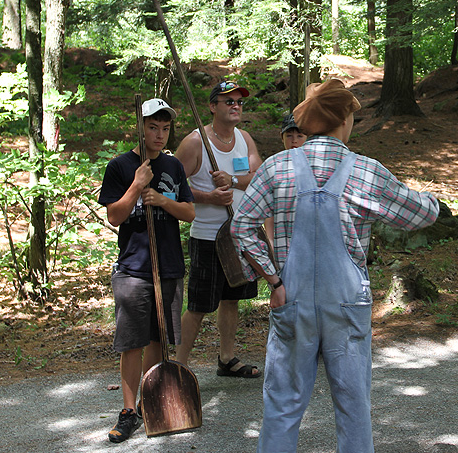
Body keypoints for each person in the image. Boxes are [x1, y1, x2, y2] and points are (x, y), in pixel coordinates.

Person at [231, 79, 440, 453]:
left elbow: (241, 226)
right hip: (346, 303)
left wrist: (272, 280)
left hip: (290, 298)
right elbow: (422, 215)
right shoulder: (365, 171)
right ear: (344, 120)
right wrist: (431, 197)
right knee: (353, 405)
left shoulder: (277, 167)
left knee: (282, 404)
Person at [97, 98, 195, 443]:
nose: (159, 134)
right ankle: (128, 412)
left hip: (167, 266)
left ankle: (148, 404)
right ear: (140, 127)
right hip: (133, 269)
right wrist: (138, 185)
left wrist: (163, 200)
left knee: (158, 339)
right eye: (152, 127)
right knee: (132, 342)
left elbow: (189, 213)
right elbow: (114, 216)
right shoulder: (121, 167)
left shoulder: (174, 167)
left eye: (165, 128)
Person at [174, 80, 263, 378]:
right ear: (213, 107)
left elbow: (257, 176)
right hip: (208, 236)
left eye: (239, 102)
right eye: (228, 101)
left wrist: (233, 181)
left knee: (232, 299)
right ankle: (179, 367)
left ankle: (226, 359)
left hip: (239, 233)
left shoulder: (244, 139)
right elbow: (171, 186)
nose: (236, 105)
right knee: (199, 305)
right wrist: (208, 197)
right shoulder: (196, 142)